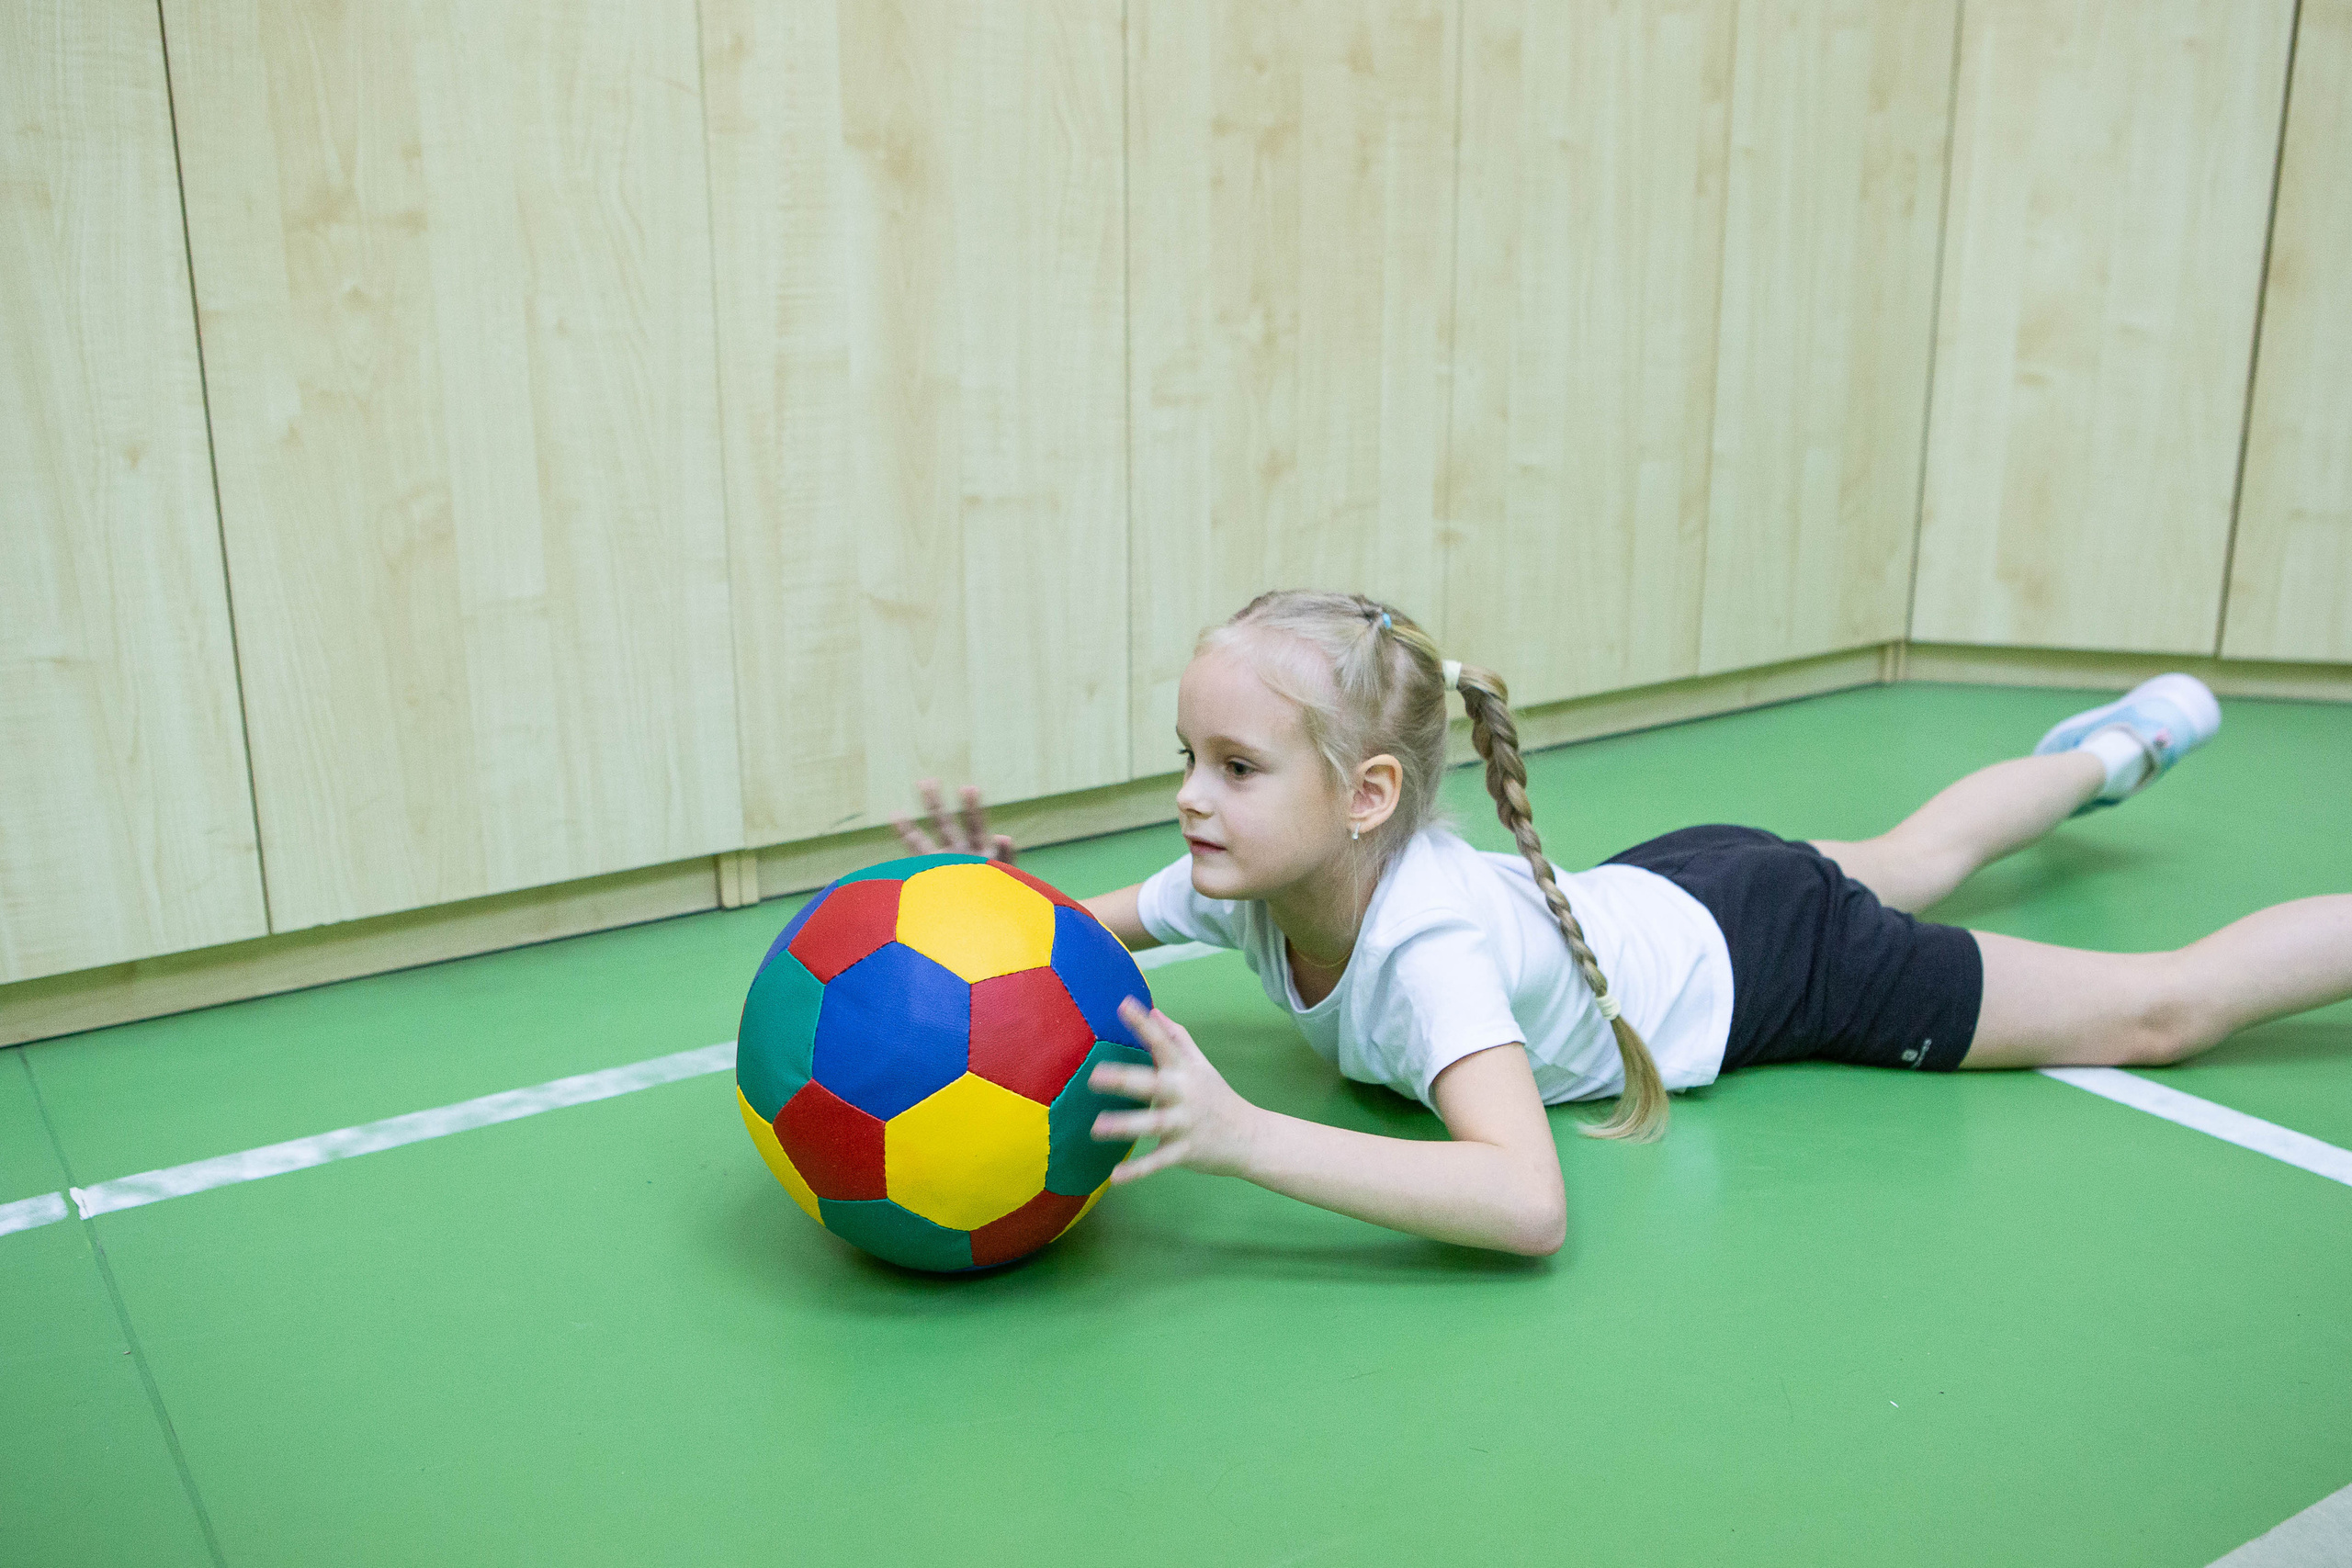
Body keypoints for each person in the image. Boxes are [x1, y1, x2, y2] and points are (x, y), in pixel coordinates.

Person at [888, 590, 2352, 1258]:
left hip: (1776, 963)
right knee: (1915, 851)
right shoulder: (1248, 880)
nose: (1192, 802)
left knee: (2163, 1009)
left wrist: (1247, 1138)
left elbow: (1525, 1204)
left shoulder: (1426, 952)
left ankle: (2113, 756)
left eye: (1236, 769)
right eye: (1187, 761)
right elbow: (1068, 940)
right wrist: (994, 900)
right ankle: (2114, 754)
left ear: (1366, 794)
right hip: (1674, 887)